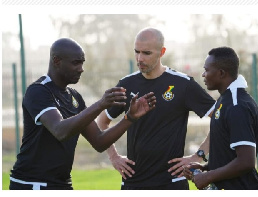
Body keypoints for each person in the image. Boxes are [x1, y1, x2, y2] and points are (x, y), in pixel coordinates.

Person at [9, 38, 156, 190]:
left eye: (82, 63)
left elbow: (99, 142)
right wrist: (100, 105)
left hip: (61, 184)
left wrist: (129, 118)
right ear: (56, 60)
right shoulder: (39, 91)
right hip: (32, 184)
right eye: (76, 63)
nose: (81, 69)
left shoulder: (75, 97)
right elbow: (60, 131)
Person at [97, 27, 215, 190]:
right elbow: (102, 122)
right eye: (136, 52)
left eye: (146, 53)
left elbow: (220, 119)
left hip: (171, 183)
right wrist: (114, 157)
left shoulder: (183, 84)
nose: (139, 58)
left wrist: (198, 156)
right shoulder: (126, 84)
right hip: (133, 182)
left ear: (162, 52)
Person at [183, 46, 258, 190]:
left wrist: (208, 177)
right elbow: (229, 154)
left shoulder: (237, 106)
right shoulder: (225, 100)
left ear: (221, 73)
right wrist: (205, 168)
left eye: (207, 70)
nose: (203, 74)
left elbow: (246, 161)